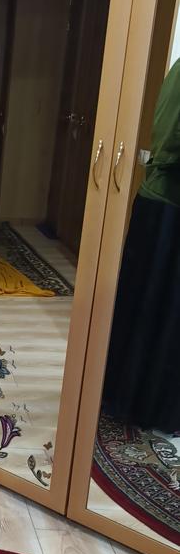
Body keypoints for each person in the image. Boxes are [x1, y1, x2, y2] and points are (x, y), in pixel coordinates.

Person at [100, 57, 180, 434]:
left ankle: (154, 407)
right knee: (151, 310)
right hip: (166, 208)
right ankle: (133, 403)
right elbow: (168, 142)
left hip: (165, 206)